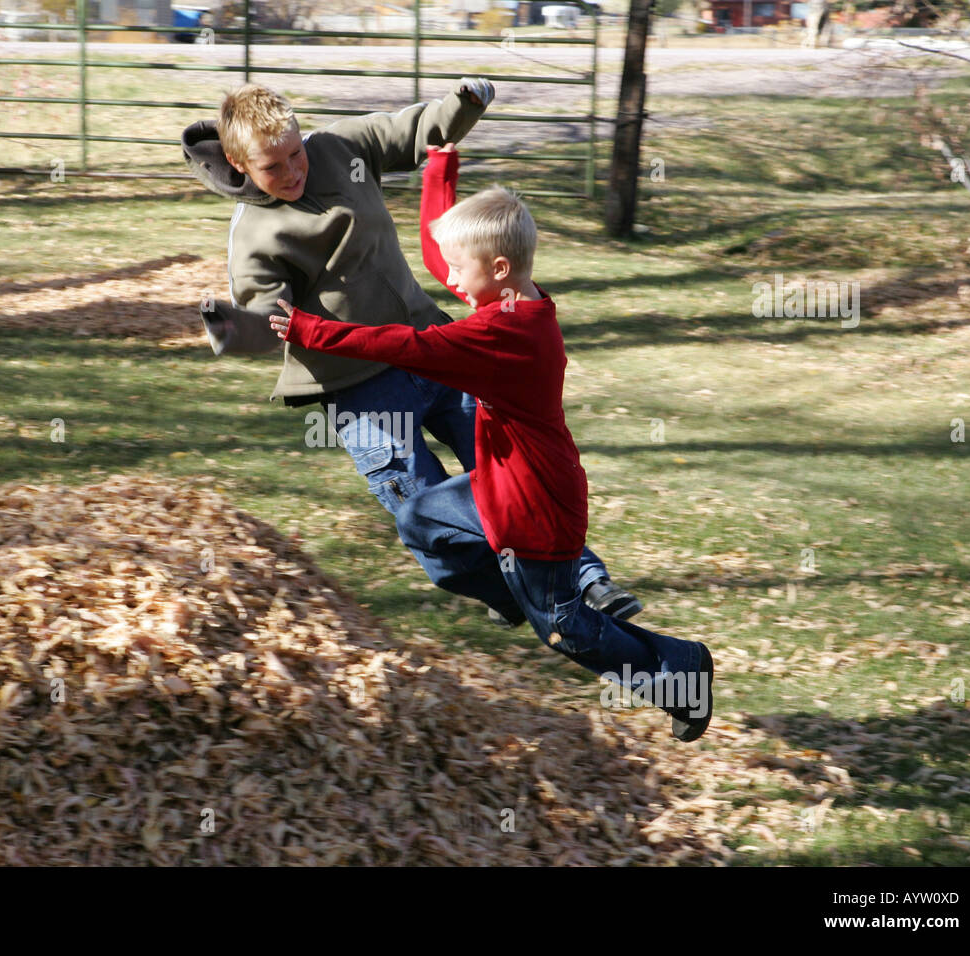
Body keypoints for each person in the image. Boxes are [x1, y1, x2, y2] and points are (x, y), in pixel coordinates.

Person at [269, 142, 714, 740]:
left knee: (566, 630)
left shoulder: (502, 336)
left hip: (534, 507)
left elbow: (406, 346)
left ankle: (679, 672)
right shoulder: (518, 297)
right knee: (420, 520)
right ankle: (509, 591)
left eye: (459, 271)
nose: (447, 279)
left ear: (498, 270)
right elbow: (441, 250)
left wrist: (310, 329)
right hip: (503, 483)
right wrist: (439, 168)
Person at [181, 83, 644, 623]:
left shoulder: (337, 148)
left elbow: (407, 131)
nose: (292, 172)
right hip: (358, 388)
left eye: (295, 153)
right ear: (238, 162)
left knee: (514, 466)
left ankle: (586, 581)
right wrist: (235, 328)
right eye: (272, 166)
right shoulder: (254, 236)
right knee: (427, 517)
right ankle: (512, 593)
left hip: (434, 350)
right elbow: (273, 321)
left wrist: (462, 105)